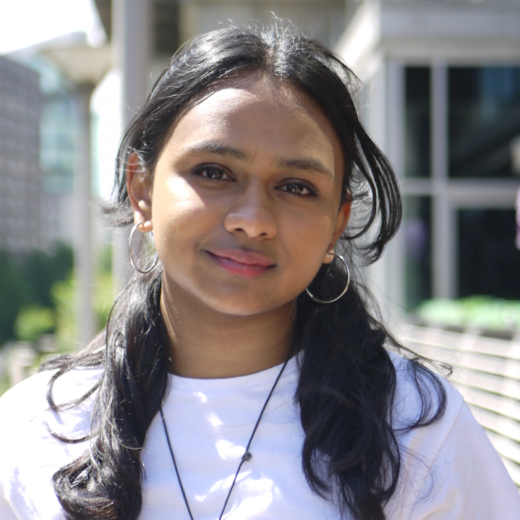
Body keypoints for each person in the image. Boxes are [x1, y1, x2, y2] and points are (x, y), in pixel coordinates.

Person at [1, 24, 519, 520]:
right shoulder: (38, 430)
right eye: (213, 172)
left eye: (296, 186)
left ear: (336, 224)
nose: (252, 220)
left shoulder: (414, 428)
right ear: (142, 191)